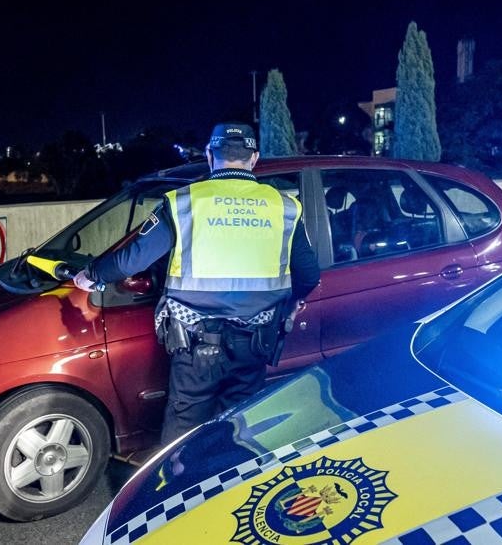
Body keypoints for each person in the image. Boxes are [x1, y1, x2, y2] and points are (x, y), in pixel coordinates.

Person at [74, 122, 320, 443]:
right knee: (240, 426)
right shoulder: (285, 207)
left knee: (184, 432)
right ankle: (229, 482)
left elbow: (131, 259)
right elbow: (309, 274)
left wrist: (91, 275)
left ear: (209, 155)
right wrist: (291, 304)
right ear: (254, 158)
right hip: (255, 343)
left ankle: (178, 488)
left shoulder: (183, 202)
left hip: (195, 347)